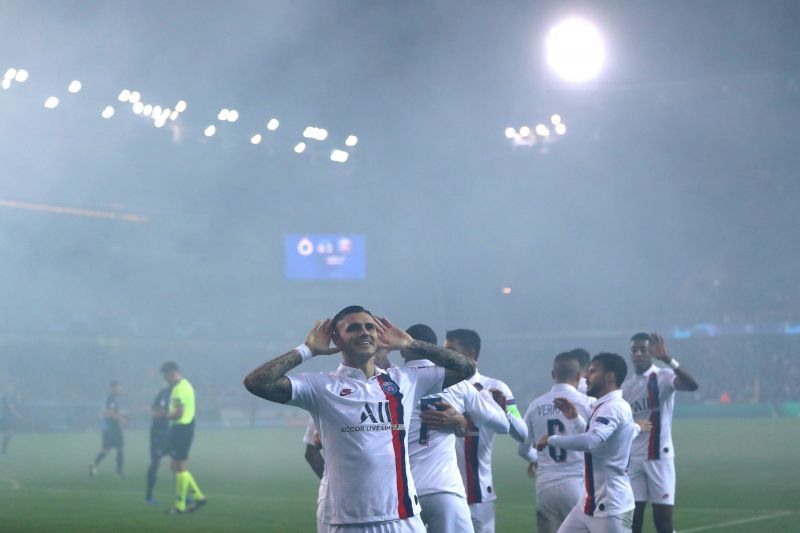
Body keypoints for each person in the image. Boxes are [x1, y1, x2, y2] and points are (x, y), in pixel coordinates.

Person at [243, 305, 477, 532]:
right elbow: (257, 382)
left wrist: (411, 343)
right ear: (337, 339)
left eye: (370, 326)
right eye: (354, 328)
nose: (364, 331)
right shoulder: (321, 386)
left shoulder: (404, 380)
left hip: (403, 517)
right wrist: (307, 350)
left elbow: (467, 368)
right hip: (345, 521)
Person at [403, 324, 509, 533]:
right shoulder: (459, 385)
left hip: (401, 492)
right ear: (435, 348)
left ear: (401, 349)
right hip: (444, 489)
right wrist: (486, 400)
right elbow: (503, 425)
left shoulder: (388, 381)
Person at [536, 353, 642, 533]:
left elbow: (591, 441)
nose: (586, 376)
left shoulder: (613, 407)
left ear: (610, 376)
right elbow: (598, 441)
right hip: (589, 503)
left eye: (592, 371)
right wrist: (575, 419)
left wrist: (552, 440)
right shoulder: (605, 405)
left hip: (611, 508)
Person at [446, 329, 528, 533]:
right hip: (443, 491)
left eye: (451, 350)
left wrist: (505, 413)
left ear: (471, 354)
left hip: (478, 493)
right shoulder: (439, 384)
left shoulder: (495, 387)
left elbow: (523, 434)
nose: (444, 356)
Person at [622, 333, 699, 533]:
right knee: (632, 521)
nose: (638, 354)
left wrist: (668, 359)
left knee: (663, 523)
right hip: (633, 460)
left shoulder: (663, 376)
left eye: (643, 350)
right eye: (634, 350)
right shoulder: (626, 386)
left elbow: (693, 385)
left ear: (651, 352)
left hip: (659, 458)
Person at [518, 353, 593, 533]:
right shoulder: (588, 403)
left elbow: (522, 449)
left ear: (553, 374)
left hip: (545, 487)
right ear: (578, 376)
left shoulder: (536, 405)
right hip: (578, 485)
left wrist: (537, 459)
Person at [161, 361, 207, 514]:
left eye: (166, 377)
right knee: (175, 466)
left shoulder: (178, 389)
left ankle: (180, 506)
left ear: (171, 373)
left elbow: (179, 412)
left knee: (180, 467)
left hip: (181, 429)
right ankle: (199, 496)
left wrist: (166, 415)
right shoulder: (187, 385)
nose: (166, 381)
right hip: (187, 427)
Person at [89, 380, 126, 477]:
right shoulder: (111, 399)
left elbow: (111, 412)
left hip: (109, 428)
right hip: (112, 428)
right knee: (120, 448)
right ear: (113, 388)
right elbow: (110, 413)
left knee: (106, 449)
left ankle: (94, 464)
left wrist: (123, 416)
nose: (120, 389)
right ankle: (119, 472)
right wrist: (122, 420)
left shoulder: (113, 399)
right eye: (118, 387)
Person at [145, 382, 174, 505]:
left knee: (177, 462)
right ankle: (148, 496)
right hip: (158, 433)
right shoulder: (163, 394)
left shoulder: (176, 394)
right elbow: (155, 411)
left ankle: (183, 494)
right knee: (155, 463)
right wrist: (167, 414)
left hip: (168, 432)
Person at [1, 382, 21, 455]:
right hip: (6, 417)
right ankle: (4, 451)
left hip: (7, 416)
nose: (12, 388)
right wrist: (17, 415)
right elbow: (10, 407)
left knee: (9, 433)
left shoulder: (7, 395)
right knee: (8, 433)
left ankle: (4, 451)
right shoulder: (6, 395)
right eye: (10, 386)